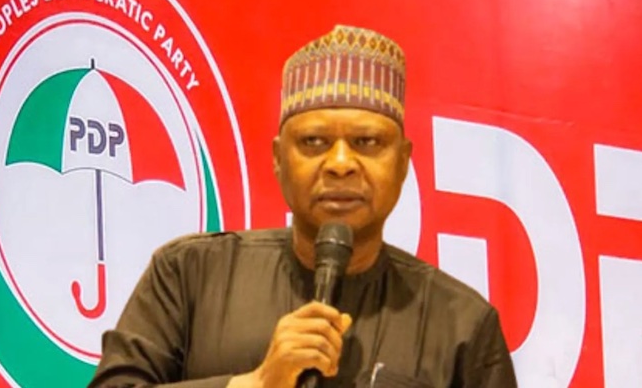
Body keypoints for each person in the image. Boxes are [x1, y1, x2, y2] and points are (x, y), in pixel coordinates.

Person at [89, 25, 517, 388]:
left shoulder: (461, 325)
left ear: (403, 163)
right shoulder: (191, 274)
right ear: (278, 159)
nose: (341, 163)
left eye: (367, 142)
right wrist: (256, 383)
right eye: (314, 142)